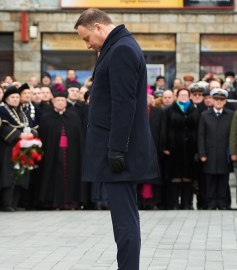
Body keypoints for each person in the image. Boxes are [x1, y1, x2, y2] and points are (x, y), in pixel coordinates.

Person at [75, 8, 159, 270]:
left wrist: (116, 148)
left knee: (124, 220)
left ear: (99, 27)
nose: (88, 45)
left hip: (120, 151)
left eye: (87, 38)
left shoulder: (121, 49)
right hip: (120, 148)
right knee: (126, 217)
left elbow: (124, 105)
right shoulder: (120, 46)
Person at [37, 91, 86, 210]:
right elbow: (43, 136)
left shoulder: (73, 116)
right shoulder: (46, 118)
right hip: (52, 153)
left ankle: (70, 201)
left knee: (71, 175)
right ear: (53, 102)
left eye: (62, 100)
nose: (60, 102)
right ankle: (52, 202)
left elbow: (79, 138)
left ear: (66, 102)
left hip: (71, 153)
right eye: (57, 100)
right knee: (52, 174)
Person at [162, 88, 200, 210]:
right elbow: (164, 129)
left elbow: (198, 129)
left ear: (189, 97)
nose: (183, 97)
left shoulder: (194, 110)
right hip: (174, 148)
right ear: (176, 96)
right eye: (181, 95)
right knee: (175, 176)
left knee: (188, 177)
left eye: (186, 95)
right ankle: (174, 203)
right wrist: (164, 146)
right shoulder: (169, 110)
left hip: (190, 148)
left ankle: (187, 203)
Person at [198, 89, 234, 210]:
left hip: (225, 152)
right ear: (212, 100)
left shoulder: (230, 114)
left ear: (225, 102)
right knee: (210, 179)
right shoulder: (205, 115)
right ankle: (211, 203)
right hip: (210, 152)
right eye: (216, 99)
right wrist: (202, 152)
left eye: (221, 100)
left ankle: (223, 203)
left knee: (224, 179)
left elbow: (232, 134)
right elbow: (201, 135)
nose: (218, 102)